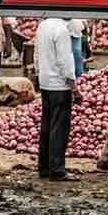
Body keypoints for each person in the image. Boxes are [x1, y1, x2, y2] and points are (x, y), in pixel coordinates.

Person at [35, 17, 78, 181]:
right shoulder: (61, 30)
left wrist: (39, 74)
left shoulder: (42, 26)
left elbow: (37, 54)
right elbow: (65, 61)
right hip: (59, 85)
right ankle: (57, 168)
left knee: (46, 124)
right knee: (59, 127)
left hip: (45, 82)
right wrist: (73, 85)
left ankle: (44, 166)